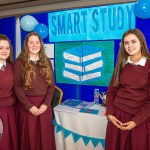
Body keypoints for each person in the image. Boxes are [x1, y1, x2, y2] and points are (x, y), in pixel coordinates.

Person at [106, 29, 150, 150]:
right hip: (117, 118)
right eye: (126, 43)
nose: (130, 45)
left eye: (133, 41)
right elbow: (110, 92)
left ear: (141, 43)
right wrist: (110, 114)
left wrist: (135, 122)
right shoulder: (121, 65)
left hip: (140, 120)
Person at [14, 32, 56, 150]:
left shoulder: (46, 61)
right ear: (26, 45)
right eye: (31, 42)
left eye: (37, 42)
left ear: (41, 45)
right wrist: (29, 106)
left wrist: (46, 105)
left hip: (44, 107)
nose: (34, 45)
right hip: (26, 107)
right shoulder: (19, 63)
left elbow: (51, 86)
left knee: (45, 138)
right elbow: (17, 87)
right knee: (29, 139)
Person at [0, 34, 18, 150]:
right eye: (1, 48)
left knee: (10, 143)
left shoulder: (12, 67)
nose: (4, 51)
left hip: (10, 110)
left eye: (7, 48)